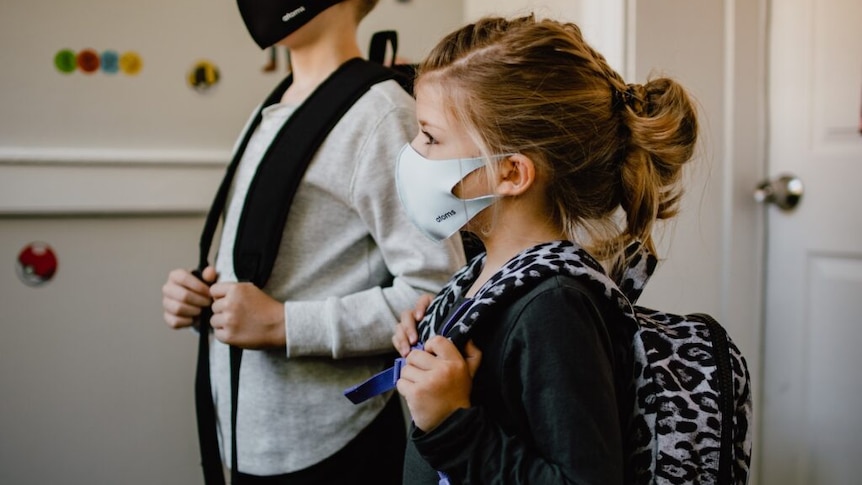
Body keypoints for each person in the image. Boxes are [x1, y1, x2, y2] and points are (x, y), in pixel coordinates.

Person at [161, 0, 465, 483]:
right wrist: (205, 298)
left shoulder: (383, 116)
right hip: (248, 434)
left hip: (332, 441)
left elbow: (438, 291)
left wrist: (284, 324)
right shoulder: (274, 107)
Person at [390, 14, 699, 484]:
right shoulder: (488, 275)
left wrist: (454, 425)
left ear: (512, 173)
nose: (414, 152)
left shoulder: (554, 308)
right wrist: (435, 336)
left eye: (431, 137)